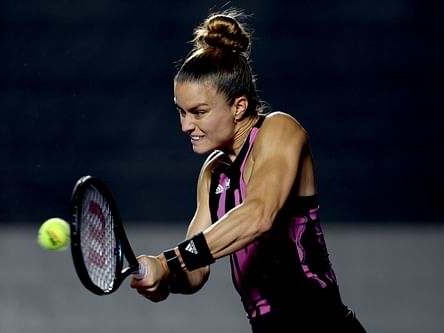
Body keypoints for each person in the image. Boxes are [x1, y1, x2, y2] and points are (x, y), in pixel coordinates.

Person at [130, 9, 366, 333]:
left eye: (198, 112)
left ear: (239, 106)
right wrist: (165, 278)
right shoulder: (212, 174)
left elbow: (258, 215)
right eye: (180, 112)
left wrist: (169, 261)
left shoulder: (280, 130)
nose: (186, 125)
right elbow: (197, 269)